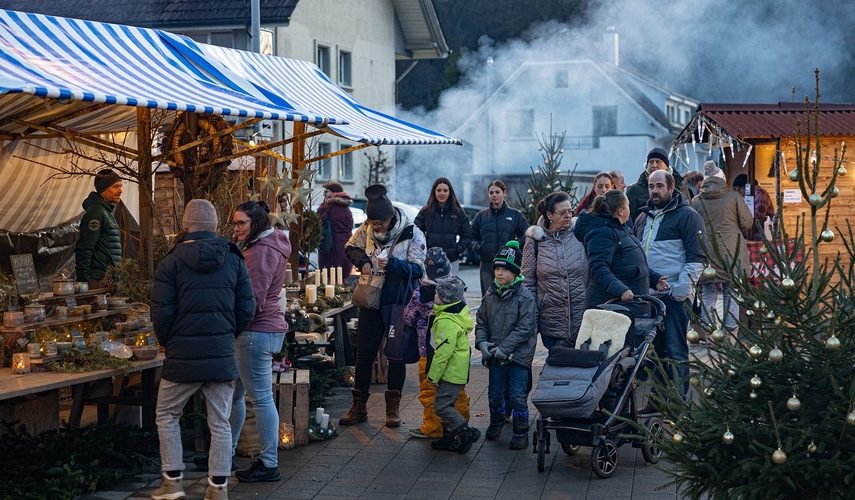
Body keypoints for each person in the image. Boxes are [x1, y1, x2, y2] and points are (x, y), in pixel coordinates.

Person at [151, 199, 256, 500]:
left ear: (185, 226)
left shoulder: (170, 263)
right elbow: (247, 307)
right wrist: (226, 334)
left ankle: (172, 482)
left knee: (167, 414)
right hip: (222, 355)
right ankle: (218, 488)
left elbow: (161, 313)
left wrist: (169, 340)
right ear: (214, 226)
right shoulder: (234, 259)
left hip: (182, 355)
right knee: (221, 422)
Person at [340, 184, 426, 427]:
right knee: (364, 355)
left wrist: (393, 265)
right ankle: (359, 408)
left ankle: (393, 409)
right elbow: (350, 246)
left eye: (380, 222)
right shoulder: (366, 229)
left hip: (398, 302)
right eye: (372, 222)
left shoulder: (412, 232)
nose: (375, 226)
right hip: (370, 300)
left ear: (391, 217)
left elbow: (419, 269)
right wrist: (363, 260)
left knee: (395, 356)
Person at [227, 201, 291, 483]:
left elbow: (252, 300)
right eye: (235, 223)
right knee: (236, 395)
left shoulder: (261, 251)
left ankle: (268, 463)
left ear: (256, 223)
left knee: (261, 398)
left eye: (242, 223)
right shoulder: (259, 246)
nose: (237, 228)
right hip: (257, 330)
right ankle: (225, 452)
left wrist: (232, 324)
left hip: (255, 331)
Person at [634, 170, 706, 398]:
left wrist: (681, 291)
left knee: (675, 350)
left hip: (675, 296)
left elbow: (699, 257)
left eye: (659, 186)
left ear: (671, 186)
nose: (654, 190)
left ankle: (677, 404)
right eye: (651, 186)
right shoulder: (642, 217)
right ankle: (658, 401)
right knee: (655, 352)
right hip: (649, 296)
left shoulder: (688, 216)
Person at [474, 241, 537, 450]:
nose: (499, 274)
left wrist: (504, 348)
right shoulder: (490, 294)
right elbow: (482, 321)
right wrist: (482, 342)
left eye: (505, 270)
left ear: (515, 272)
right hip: (495, 356)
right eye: (497, 269)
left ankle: (521, 431)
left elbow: (525, 328)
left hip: (518, 357)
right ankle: (497, 421)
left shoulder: (524, 297)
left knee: (518, 395)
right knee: (494, 394)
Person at [405, 247, 470, 440]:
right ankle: (460, 424)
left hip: (428, 351)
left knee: (429, 390)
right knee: (456, 393)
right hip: (457, 355)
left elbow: (408, 318)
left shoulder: (420, 293)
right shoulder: (456, 291)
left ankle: (433, 428)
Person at [574, 190, 668, 319]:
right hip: (612, 308)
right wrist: (620, 289)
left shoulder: (621, 229)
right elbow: (598, 268)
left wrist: (654, 279)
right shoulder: (602, 233)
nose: (629, 209)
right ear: (621, 211)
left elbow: (631, 264)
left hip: (630, 306)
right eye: (628, 205)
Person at [521, 191, 588, 349]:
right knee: (557, 367)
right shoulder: (535, 241)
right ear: (550, 215)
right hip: (551, 319)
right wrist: (534, 311)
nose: (568, 216)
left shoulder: (581, 234)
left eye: (570, 211)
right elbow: (528, 280)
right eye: (562, 212)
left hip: (582, 318)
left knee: (582, 367)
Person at [692, 162, 752, 333]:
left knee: (708, 293)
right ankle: (730, 334)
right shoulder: (733, 197)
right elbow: (747, 223)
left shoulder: (696, 201)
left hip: (705, 253)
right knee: (731, 292)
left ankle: (709, 334)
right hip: (731, 251)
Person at [426, 275, 481, 453]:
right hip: (457, 371)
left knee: (441, 406)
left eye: (437, 293)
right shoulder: (455, 313)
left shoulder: (446, 321)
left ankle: (466, 431)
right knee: (448, 404)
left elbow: (443, 352)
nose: (434, 295)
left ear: (445, 298)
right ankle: (449, 438)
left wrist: (433, 376)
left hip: (450, 372)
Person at [470, 180, 529, 295]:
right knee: (488, 298)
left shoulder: (515, 215)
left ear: (504, 193)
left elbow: (526, 234)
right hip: (487, 264)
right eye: (491, 193)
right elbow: (471, 236)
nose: (494, 195)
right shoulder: (481, 216)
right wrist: (478, 248)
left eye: (497, 192)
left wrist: (516, 245)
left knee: (508, 298)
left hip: (508, 264)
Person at [75, 169, 123, 288]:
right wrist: (84, 282)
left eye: (120, 186)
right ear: (103, 189)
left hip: (107, 279)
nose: (120, 191)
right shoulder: (96, 213)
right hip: (98, 281)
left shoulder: (105, 212)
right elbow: (85, 248)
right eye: (116, 186)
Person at [414, 177, 472, 276]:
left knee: (451, 290)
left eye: (445, 190)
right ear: (434, 192)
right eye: (439, 190)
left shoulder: (458, 212)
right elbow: (416, 234)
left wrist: (457, 249)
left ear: (450, 192)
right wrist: (426, 250)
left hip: (451, 260)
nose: (442, 193)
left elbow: (467, 235)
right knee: (430, 290)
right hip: (430, 261)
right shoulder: (425, 212)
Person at [626, 147, 689, 221]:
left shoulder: (680, 186)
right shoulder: (634, 190)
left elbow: (689, 212)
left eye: (658, 162)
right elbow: (629, 220)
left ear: (666, 165)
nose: (654, 165)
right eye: (651, 162)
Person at [317, 181, 354, 277]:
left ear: (335, 192)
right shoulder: (346, 208)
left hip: (331, 245)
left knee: (329, 276)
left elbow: (318, 222)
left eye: (327, 191)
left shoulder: (327, 206)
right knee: (342, 275)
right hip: (345, 245)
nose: (324, 193)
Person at [733, 174, 775, 241]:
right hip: (756, 236)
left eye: (737, 190)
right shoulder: (751, 195)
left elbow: (757, 218)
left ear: (743, 187)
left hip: (762, 238)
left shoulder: (760, 194)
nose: (738, 193)